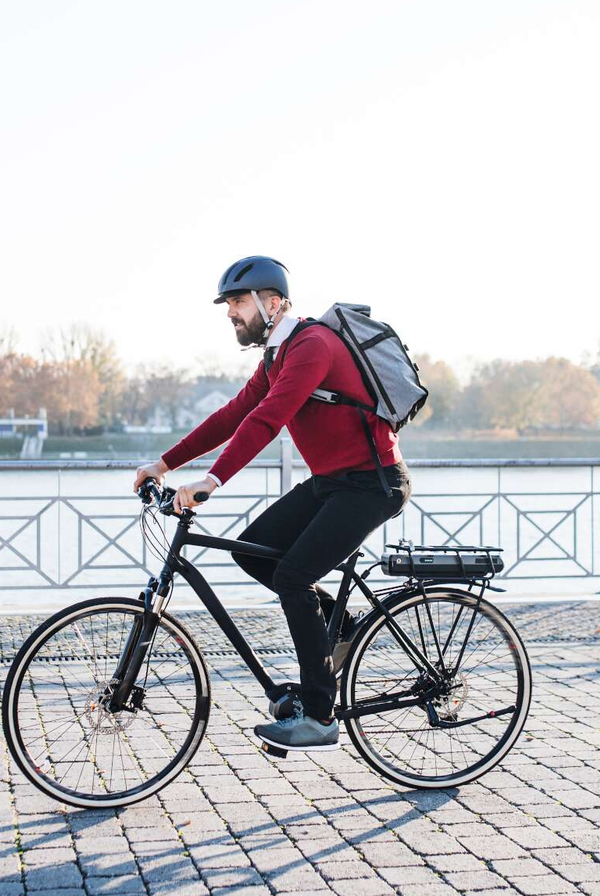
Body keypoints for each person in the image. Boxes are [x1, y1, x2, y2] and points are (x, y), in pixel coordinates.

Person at [133, 256, 411, 752]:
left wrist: (212, 481)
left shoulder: (312, 346)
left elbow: (269, 420)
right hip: (332, 482)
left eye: (238, 302)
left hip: (373, 485)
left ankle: (321, 716)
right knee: (252, 549)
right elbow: (235, 415)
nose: (230, 314)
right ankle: (339, 624)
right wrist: (164, 464)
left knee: (291, 577)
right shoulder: (276, 356)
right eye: (229, 304)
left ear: (273, 302)